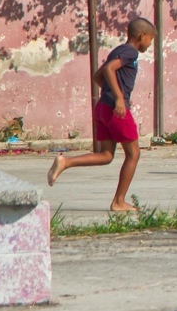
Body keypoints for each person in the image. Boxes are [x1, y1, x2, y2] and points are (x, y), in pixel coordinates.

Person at [46, 17, 156, 212]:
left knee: (106, 155)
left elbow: (99, 76)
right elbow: (108, 69)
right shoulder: (130, 52)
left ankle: (65, 162)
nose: (150, 44)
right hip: (115, 110)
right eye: (151, 40)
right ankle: (119, 202)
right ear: (142, 36)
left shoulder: (118, 50)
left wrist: (108, 94)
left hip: (103, 108)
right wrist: (119, 98)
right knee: (134, 153)